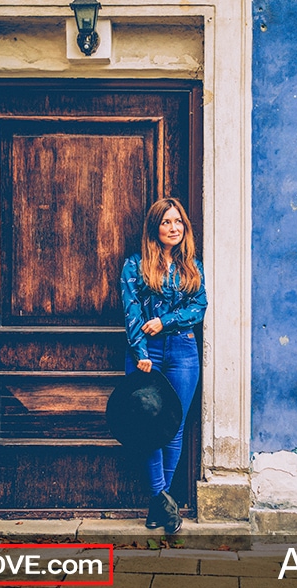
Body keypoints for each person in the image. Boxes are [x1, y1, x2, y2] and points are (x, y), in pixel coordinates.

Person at [119, 198, 207, 533]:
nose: (173, 228)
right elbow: (131, 315)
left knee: (174, 425)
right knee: (148, 425)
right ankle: (162, 500)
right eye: (166, 222)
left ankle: (161, 506)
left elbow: (199, 307)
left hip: (184, 350)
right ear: (155, 228)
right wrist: (141, 352)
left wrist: (165, 321)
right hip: (146, 353)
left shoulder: (192, 267)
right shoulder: (135, 266)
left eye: (178, 222)